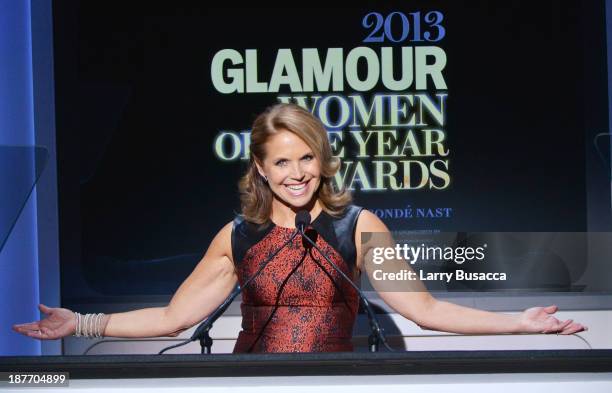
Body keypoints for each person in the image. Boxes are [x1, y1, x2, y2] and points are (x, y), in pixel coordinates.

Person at [12, 103, 587, 352]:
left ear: (324, 160)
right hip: (250, 380)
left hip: (334, 380)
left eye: (306, 158)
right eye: (281, 162)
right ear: (260, 167)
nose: (296, 174)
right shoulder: (238, 235)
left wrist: (521, 322)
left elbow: (426, 309)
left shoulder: (359, 228)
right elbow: (173, 318)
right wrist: (81, 322)